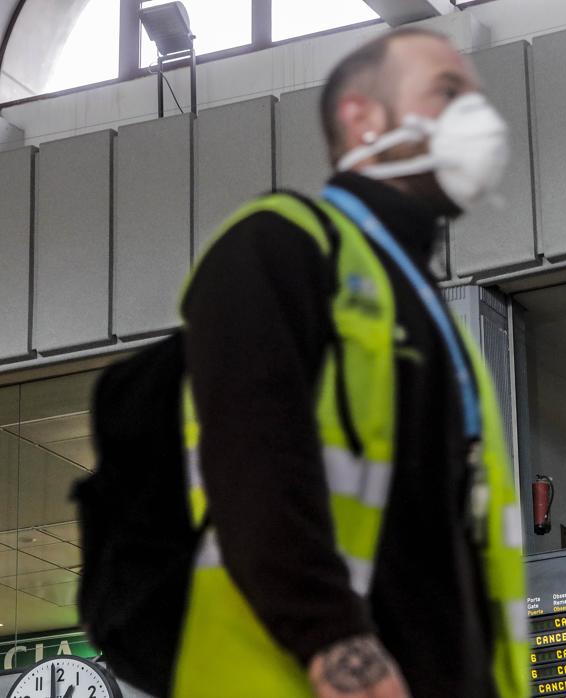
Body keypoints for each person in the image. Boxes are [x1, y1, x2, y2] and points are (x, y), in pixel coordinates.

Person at [173, 26, 526, 698]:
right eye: (447, 92)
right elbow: (254, 457)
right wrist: (333, 642)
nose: (476, 119)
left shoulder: (429, 317)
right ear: (362, 119)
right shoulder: (279, 248)